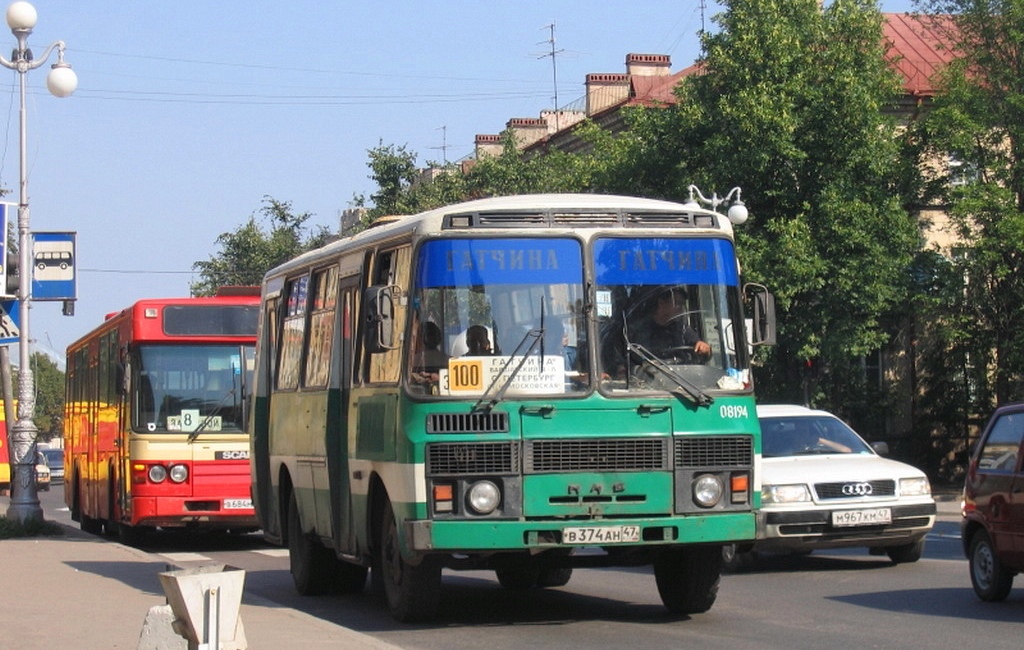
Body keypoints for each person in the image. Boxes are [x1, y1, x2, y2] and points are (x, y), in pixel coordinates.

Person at [629, 287, 710, 360]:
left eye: (683, 304)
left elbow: (699, 345)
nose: (681, 309)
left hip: (680, 374)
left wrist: (704, 347)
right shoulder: (641, 329)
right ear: (661, 303)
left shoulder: (682, 328)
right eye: (677, 303)